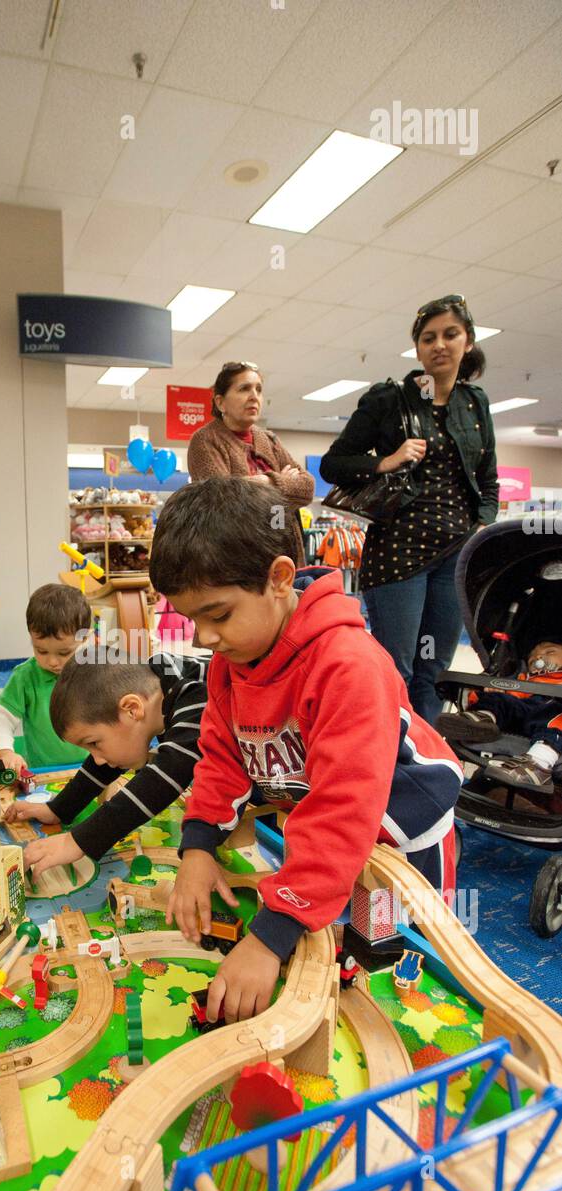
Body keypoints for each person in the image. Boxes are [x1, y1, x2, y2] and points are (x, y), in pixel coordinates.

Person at [148, 478, 463, 1025]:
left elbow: (344, 809)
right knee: (335, 929)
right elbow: (221, 757)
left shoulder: (348, 665)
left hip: (400, 836)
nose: (203, 638)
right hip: (327, 825)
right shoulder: (233, 661)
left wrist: (270, 936)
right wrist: (197, 848)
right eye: (191, 618)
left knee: (384, 961)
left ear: (279, 578)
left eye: (218, 615)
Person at [320, 294, 498, 725]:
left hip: (454, 556)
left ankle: (427, 760)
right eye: (428, 337)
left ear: (468, 341)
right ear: (417, 348)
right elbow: (333, 463)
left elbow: (488, 480)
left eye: (450, 334)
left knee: (433, 668)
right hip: (398, 554)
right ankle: (390, 761)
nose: (440, 344)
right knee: (394, 668)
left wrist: (481, 523)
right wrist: (385, 460)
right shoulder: (389, 400)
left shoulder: (475, 404)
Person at [5, 651, 209, 875]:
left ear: (132, 709)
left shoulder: (198, 695)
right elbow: (111, 754)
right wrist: (60, 808)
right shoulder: (151, 681)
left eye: (94, 743)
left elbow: (167, 774)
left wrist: (78, 841)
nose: (98, 758)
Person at [187, 360, 314, 559]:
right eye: (244, 389)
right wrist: (283, 484)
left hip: (284, 553)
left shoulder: (270, 440)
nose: (254, 396)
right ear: (220, 402)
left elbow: (307, 487)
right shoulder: (206, 440)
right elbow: (222, 499)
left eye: (259, 389)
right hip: (237, 559)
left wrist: (267, 481)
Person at [0, 584, 92, 777]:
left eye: (64, 652)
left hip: (93, 770)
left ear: (85, 639)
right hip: (43, 773)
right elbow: (1, 717)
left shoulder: (95, 670)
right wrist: (4, 750)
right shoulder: (26, 676)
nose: (52, 662)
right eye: (41, 651)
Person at [439, 639, 562, 794]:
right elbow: (512, 696)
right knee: (501, 700)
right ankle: (480, 720)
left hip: (553, 719)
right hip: (525, 713)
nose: (539, 658)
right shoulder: (527, 678)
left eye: (550, 652)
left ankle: (539, 763)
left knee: (555, 714)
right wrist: (488, 693)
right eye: (532, 659)